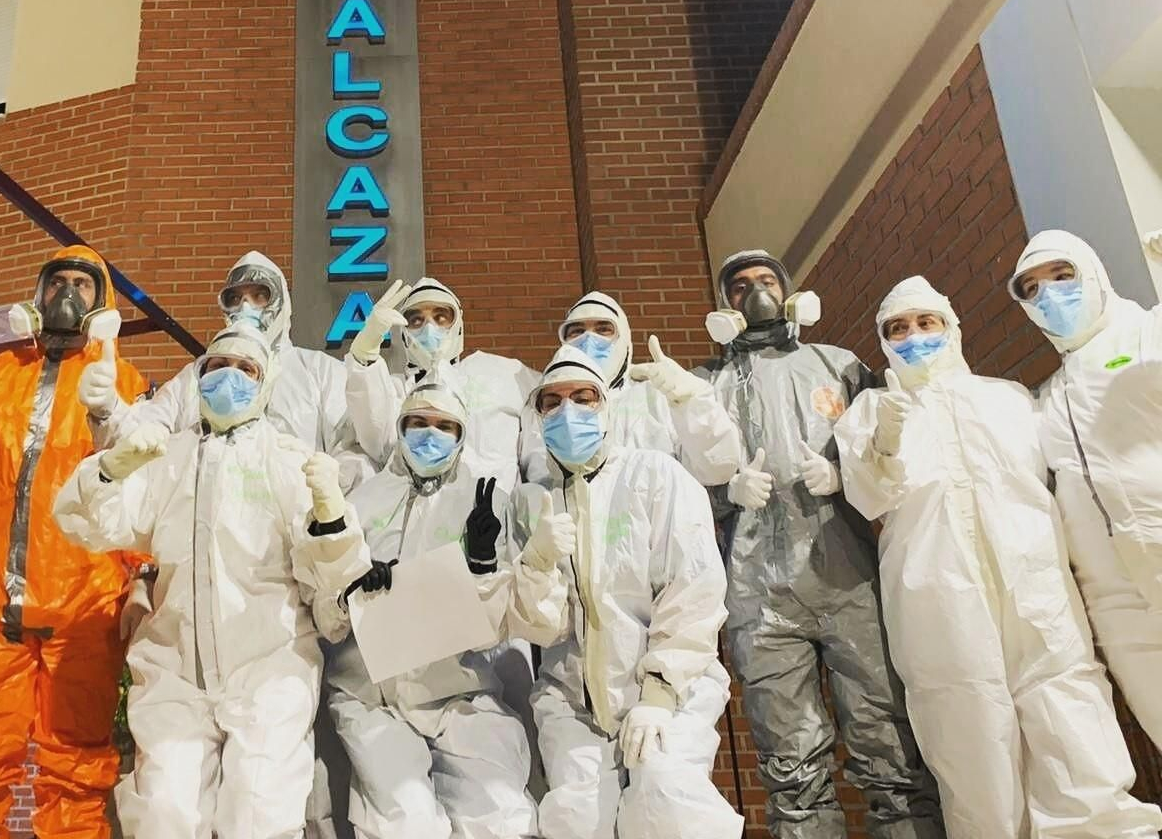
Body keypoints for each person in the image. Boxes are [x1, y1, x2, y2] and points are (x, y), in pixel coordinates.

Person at [836, 275, 1161, 839]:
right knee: (967, 727)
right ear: (884, 343)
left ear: (951, 327)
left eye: (926, 323)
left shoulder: (1007, 397)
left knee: (1069, 706)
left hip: (1035, 580)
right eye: (898, 329)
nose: (914, 337)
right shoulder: (871, 410)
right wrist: (883, 442)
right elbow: (869, 495)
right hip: (937, 593)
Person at [54, 324, 371, 839]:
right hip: (173, 670)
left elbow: (334, 576)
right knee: (163, 816)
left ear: (265, 386)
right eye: (217, 367)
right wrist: (109, 470)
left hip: (269, 666)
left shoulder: (286, 459)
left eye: (245, 369)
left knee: (258, 816)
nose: (229, 378)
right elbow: (89, 525)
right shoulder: (167, 458)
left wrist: (332, 520)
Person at [695, 249, 942, 839]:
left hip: (849, 580)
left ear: (789, 293)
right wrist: (725, 493)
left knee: (890, 749)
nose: (754, 293)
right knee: (790, 761)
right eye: (739, 286)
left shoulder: (841, 367)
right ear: (723, 305)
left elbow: (892, 457)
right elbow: (677, 492)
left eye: (766, 282)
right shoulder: (705, 388)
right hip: (758, 598)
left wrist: (845, 478)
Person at [0, 245, 150, 839]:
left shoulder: (123, 384)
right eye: (58, 283)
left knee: (75, 774)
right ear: (38, 294)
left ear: (101, 304)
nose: (68, 295)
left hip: (84, 613)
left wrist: (142, 580)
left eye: (83, 284)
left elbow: (141, 494)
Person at [512, 348, 743, 839]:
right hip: (572, 698)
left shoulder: (656, 476)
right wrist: (535, 564)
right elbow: (543, 628)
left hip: (668, 688)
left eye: (583, 397)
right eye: (551, 402)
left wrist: (658, 693)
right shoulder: (533, 502)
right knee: (574, 819)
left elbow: (694, 589)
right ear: (537, 416)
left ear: (607, 407)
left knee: (666, 801)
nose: (567, 411)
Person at [316, 381, 559, 839]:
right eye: (419, 422)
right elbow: (325, 620)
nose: (431, 434)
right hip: (372, 696)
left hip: (460, 689)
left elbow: (518, 618)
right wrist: (349, 588)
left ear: (462, 434)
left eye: (445, 425)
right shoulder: (363, 502)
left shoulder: (486, 504)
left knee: (502, 818)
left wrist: (483, 567)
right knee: (404, 823)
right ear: (401, 428)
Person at [1010, 228, 1162, 744]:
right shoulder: (1050, 395)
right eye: (1031, 289)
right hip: (1115, 600)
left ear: (1093, 273)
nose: (1048, 294)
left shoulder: (1145, 335)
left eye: (1061, 275)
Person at [82, 250, 367, 488]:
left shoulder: (319, 372)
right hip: (207, 531)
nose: (246, 307)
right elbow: (143, 437)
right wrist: (108, 410)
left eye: (259, 295)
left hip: (296, 536)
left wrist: (328, 502)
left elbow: (353, 453)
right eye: (235, 298)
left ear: (282, 302)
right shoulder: (195, 377)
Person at [346, 277, 539, 490]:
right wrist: (365, 354)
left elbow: (554, 404)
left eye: (441, 317)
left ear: (458, 326)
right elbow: (379, 443)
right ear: (404, 333)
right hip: (421, 514)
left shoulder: (501, 375)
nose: (429, 328)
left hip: (498, 513)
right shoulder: (394, 389)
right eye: (417, 320)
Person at [549, 290, 743, 485]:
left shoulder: (657, 395)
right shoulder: (548, 409)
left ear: (624, 339)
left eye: (603, 330)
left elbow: (716, 468)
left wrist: (690, 402)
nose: (589, 340)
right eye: (577, 331)